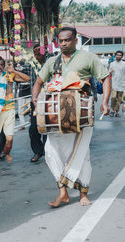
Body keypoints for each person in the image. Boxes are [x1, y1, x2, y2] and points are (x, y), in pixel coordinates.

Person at [32, 27, 111, 208]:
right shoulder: (52, 61)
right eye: (60, 41)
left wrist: (105, 102)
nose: (64, 43)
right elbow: (39, 82)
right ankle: (63, 192)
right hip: (55, 116)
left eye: (67, 40)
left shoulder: (88, 58)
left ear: (76, 40)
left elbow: (105, 77)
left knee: (81, 154)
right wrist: (36, 101)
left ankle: (83, 192)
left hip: (81, 114)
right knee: (51, 152)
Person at [0, 57, 30, 170]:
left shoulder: (9, 75)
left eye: (1, 65)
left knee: (9, 138)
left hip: (9, 110)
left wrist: (13, 70)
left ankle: (7, 152)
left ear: (4, 65)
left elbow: (27, 78)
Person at [29, 44, 48, 162]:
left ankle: (47, 151)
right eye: (35, 54)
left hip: (49, 98)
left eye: (38, 54)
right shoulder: (31, 64)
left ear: (44, 52)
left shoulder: (52, 61)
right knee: (33, 128)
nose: (36, 56)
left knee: (48, 126)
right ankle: (37, 151)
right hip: (36, 99)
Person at [109, 50, 125, 117]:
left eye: (120, 55)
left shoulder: (124, 64)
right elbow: (108, 73)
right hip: (114, 84)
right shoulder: (112, 64)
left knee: (119, 99)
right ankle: (112, 110)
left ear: (122, 56)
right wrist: (110, 72)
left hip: (122, 84)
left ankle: (116, 112)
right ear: (115, 56)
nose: (119, 56)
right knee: (113, 97)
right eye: (117, 55)